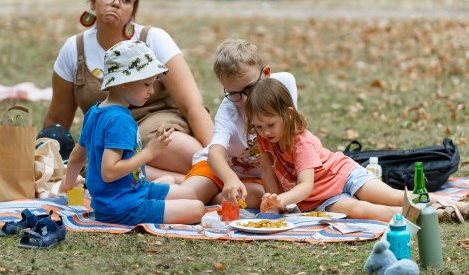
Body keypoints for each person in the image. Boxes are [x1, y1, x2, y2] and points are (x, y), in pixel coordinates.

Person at [43, 0, 214, 183]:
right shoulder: (74, 49)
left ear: (133, 10)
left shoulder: (153, 39)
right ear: (93, 2)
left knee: (173, 147)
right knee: (105, 158)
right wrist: (42, 161)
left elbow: (192, 105)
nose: (116, 3)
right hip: (110, 142)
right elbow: (57, 119)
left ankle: (206, 179)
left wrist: (219, 159)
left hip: (158, 124)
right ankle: (191, 183)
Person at [245, 78, 469, 222]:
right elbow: (267, 171)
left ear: (288, 114)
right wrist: (272, 203)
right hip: (319, 200)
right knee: (363, 211)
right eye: (259, 126)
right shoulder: (266, 139)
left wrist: (282, 200)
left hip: (345, 176)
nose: (265, 132)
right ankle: (438, 216)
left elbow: (305, 185)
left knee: (394, 197)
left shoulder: (302, 143)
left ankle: (458, 206)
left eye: (270, 124)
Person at [61, 40, 205, 225]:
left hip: (130, 191)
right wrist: (150, 152)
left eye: (153, 84)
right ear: (123, 82)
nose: (151, 91)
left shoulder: (95, 111)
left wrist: (69, 183)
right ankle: (154, 204)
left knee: (191, 194)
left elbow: (76, 157)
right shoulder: (120, 120)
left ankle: (159, 195)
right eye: (146, 84)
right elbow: (109, 172)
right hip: (123, 208)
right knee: (197, 208)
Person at [181, 39, 298, 209]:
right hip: (219, 169)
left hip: (260, 176)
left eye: (249, 89)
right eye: (233, 93)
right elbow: (215, 154)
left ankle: (215, 198)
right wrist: (229, 178)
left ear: (266, 73)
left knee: (260, 199)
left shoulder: (283, 85)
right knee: (188, 197)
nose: (244, 100)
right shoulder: (228, 110)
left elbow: (292, 132)